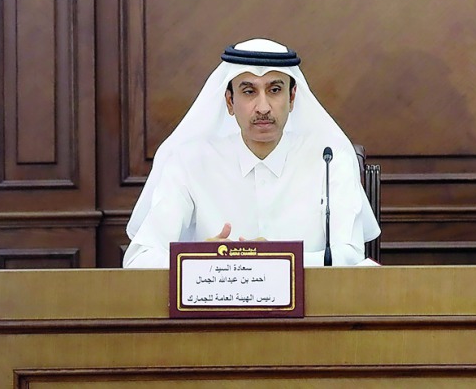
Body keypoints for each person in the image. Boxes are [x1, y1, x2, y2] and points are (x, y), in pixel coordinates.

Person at [123, 39, 381, 268]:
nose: (263, 107)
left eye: (275, 90)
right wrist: (200, 260)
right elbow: (139, 259)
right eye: (248, 92)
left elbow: (350, 254)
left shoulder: (330, 159)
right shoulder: (190, 162)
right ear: (229, 102)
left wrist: (273, 259)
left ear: (292, 98)